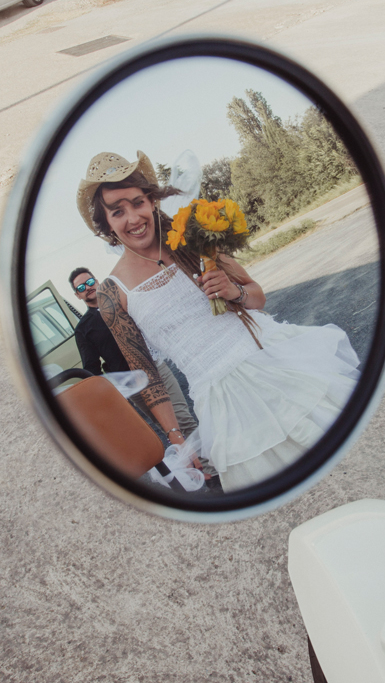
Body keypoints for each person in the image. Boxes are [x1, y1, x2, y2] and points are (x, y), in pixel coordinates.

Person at [76, 150, 361, 490]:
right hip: (221, 403)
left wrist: (232, 292)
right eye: (117, 211)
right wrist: (176, 437)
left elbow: (256, 296)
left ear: (152, 201)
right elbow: (148, 373)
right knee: (283, 493)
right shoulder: (112, 292)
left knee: (349, 462)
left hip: (273, 362)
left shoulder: (192, 238)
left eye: (137, 202)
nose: (132, 217)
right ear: (106, 224)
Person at [68, 266, 196, 438]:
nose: (88, 287)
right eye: (81, 287)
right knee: (171, 431)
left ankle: (210, 464)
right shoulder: (83, 329)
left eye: (90, 282)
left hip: (156, 366)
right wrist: (108, 396)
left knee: (184, 419)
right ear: (77, 295)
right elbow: (92, 367)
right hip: (133, 383)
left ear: (97, 281)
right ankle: (195, 464)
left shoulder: (122, 302)